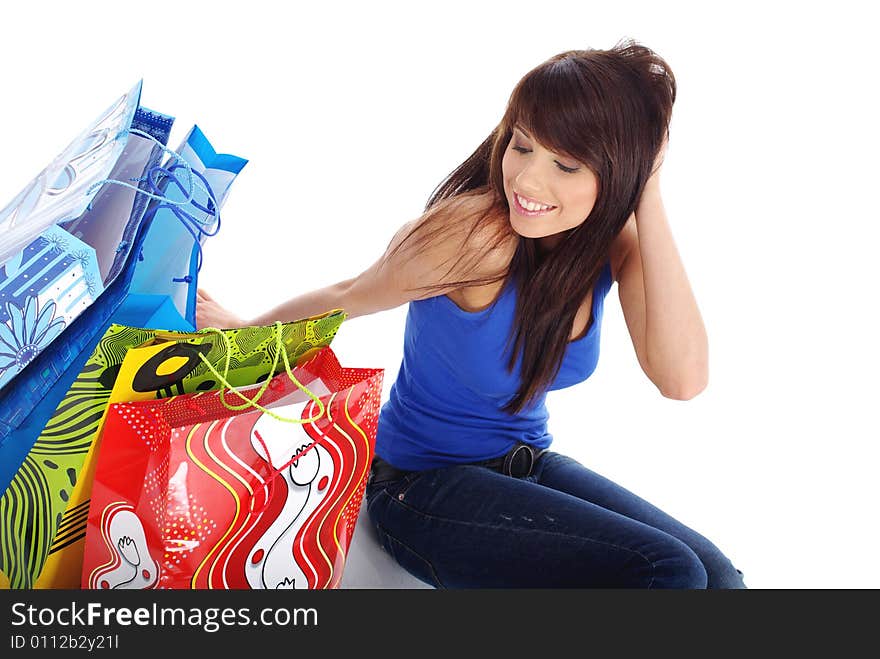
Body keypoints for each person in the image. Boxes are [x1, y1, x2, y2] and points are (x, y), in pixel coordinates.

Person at [196, 38, 746, 589]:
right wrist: (242, 334)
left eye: (566, 165)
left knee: (717, 578)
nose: (528, 181)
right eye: (523, 146)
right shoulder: (477, 236)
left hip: (526, 468)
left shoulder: (610, 242)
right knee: (668, 573)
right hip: (420, 487)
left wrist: (645, 188)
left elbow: (682, 378)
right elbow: (350, 296)